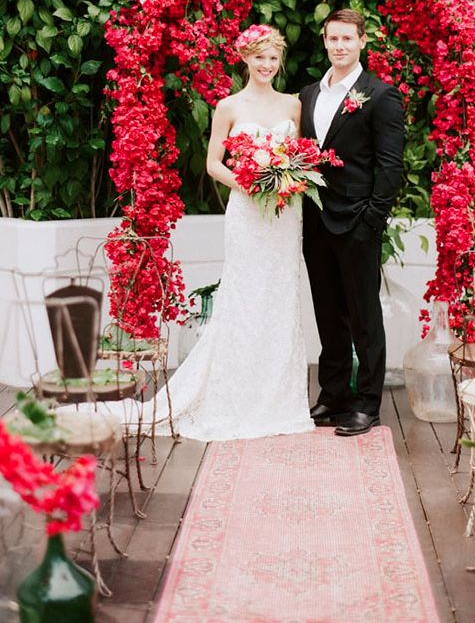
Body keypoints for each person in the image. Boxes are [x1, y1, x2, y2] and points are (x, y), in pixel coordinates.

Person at [90, 25, 315, 441]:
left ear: (279, 61)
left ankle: (277, 398)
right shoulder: (229, 106)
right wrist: (247, 181)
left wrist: (287, 177)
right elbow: (214, 163)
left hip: (284, 215)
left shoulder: (294, 105)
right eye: (259, 57)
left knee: (280, 297)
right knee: (244, 296)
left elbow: (301, 155)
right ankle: (235, 396)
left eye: (272, 58)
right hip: (248, 212)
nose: (266, 65)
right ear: (244, 58)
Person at [300, 8, 404, 436]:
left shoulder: (380, 95)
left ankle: (366, 402)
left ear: (363, 41)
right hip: (316, 222)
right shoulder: (308, 94)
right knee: (327, 313)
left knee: (364, 316)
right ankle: (334, 394)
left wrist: (372, 221)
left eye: (347, 38)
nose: (339, 46)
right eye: (332, 38)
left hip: (358, 222)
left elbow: (390, 167)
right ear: (324, 41)